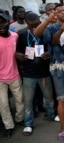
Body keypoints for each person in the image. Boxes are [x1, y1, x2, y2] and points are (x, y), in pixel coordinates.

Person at [34, 3, 64, 140]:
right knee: (61, 98)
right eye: (59, 11)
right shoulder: (51, 26)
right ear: (55, 13)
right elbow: (42, 36)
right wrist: (54, 24)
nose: (63, 13)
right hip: (58, 66)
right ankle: (63, 128)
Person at [15, 12, 55, 136]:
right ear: (26, 23)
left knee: (49, 97)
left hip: (44, 72)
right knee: (28, 101)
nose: (35, 28)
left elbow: (52, 46)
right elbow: (17, 51)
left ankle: (51, 115)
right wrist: (19, 55)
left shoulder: (45, 31)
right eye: (32, 25)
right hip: (29, 73)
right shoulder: (21, 34)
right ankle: (28, 124)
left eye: (37, 24)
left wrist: (48, 53)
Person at [0, 9, 24, 138]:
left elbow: (19, 51)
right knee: (3, 104)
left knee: (20, 100)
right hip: (0, 79)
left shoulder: (15, 36)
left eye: (3, 22)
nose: (1, 25)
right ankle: (8, 126)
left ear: (9, 22)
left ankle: (19, 119)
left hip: (15, 75)